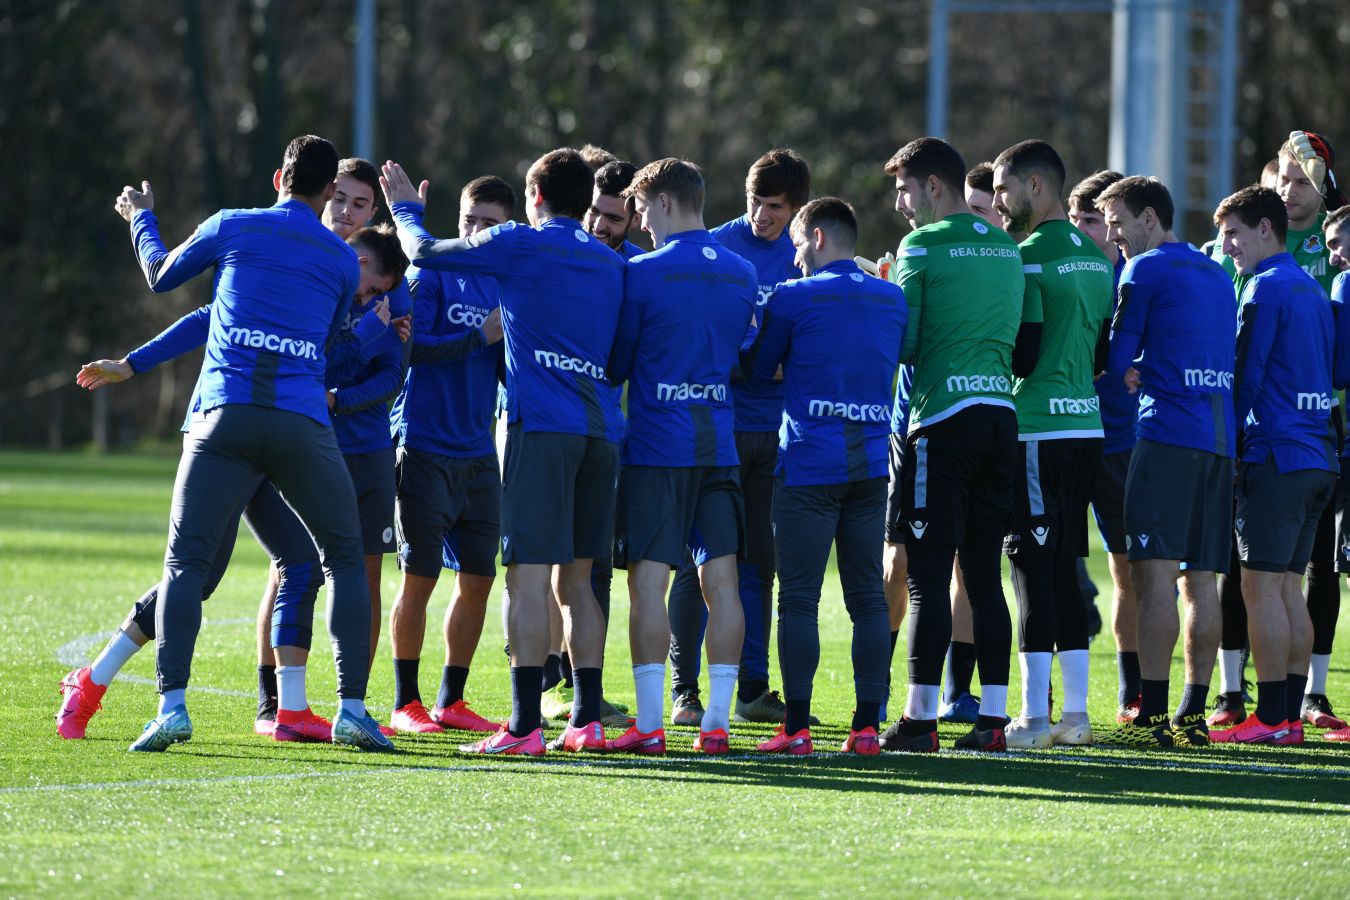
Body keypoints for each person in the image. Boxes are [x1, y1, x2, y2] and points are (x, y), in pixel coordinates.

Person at [59, 161, 410, 745]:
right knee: (205, 571)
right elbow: (211, 318)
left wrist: (375, 336)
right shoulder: (316, 259)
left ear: (373, 214)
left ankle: (289, 709)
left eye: (359, 204)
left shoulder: (360, 271)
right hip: (246, 426)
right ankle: (94, 680)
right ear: (324, 196)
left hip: (272, 428)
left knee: (296, 560)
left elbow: (361, 365)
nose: (346, 212)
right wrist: (136, 361)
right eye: (340, 199)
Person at [384, 148, 624, 756]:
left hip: (540, 429)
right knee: (580, 584)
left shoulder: (520, 241)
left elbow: (424, 252)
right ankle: (587, 720)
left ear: (535, 197)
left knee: (525, 578)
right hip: (600, 432)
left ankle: (522, 728)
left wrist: (406, 209)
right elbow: (622, 356)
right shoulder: (610, 261)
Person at [602, 158, 755, 755]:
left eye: (641, 211)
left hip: (657, 450)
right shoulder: (741, 272)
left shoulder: (642, 273)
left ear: (663, 203)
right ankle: (715, 725)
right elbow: (744, 352)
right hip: (718, 447)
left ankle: (649, 727)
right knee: (723, 585)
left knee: (648, 584)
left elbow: (617, 364)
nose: (640, 225)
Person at [745, 197, 907, 755]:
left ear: (816, 237)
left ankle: (797, 727)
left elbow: (760, 367)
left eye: (795, 247)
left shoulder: (793, 296)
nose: (793, 262)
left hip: (809, 466)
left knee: (798, 600)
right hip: (869, 468)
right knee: (867, 598)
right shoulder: (892, 298)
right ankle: (866, 727)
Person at [877, 137, 1022, 753]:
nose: (901, 204)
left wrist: (883, 291)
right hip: (1000, 419)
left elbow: (904, 345)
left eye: (906, 189)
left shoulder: (922, 245)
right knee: (984, 577)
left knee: (928, 580)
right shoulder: (1007, 246)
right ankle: (992, 720)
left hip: (942, 420)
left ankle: (917, 720)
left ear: (935, 186)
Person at [666, 148, 811, 727]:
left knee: (758, 565)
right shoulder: (719, 246)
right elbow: (697, 343)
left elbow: (810, 345)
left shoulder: (805, 256)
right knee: (696, 561)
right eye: (755, 202)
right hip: (716, 426)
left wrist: (777, 363)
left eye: (774, 207)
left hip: (776, 434)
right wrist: (756, 363)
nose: (761, 216)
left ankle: (752, 687)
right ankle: (684, 691)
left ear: (795, 208)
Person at [1099, 176, 1235, 748]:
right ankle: (1192, 713)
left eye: (1118, 224)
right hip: (1219, 443)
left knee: (1151, 576)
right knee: (1200, 583)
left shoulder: (1143, 270)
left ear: (1149, 219)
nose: (1114, 237)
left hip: (1168, 437)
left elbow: (1115, 356)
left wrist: (1119, 375)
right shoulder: (1218, 274)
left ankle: (1151, 716)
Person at [991, 140, 1112, 748]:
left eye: (1005, 189)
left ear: (1035, 187)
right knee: (1065, 566)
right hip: (1086, 427)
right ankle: (1078, 715)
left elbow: (1027, 354)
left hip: (1037, 428)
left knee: (1030, 570)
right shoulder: (1097, 259)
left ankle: (1034, 717)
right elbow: (1101, 358)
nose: (999, 201)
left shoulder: (1028, 258)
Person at [1209, 185, 1337, 745]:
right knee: (1287, 589)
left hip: (1276, 455)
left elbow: (1245, 379)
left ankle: (1273, 720)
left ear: (1266, 228)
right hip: (1318, 456)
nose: (1227, 245)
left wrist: (1228, 449)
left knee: (1261, 591)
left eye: (1234, 232)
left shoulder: (1263, 290)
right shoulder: (1312, 287)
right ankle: (1286, 718)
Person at [385, 176, 511, 735]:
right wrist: (478, 339)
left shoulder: (510, 282)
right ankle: (404, 701)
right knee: (420, 577)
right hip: (424, 445)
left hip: (480, 453)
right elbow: (410, 350)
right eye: (468, 220)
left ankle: (450, 699)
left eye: (488, 223)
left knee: (479, 578)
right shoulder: (430, 270)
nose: (475, 232)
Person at [1067, 169, 1141, 723]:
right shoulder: (1062, 270)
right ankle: (1040, 693)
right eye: (1077, 218)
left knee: (1129, 572)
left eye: (1092, 220)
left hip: (1120, 442)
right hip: (1063, 433)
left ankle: (1132, 690)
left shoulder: (1134, 278)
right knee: (1043, 566)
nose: (1083, 229)